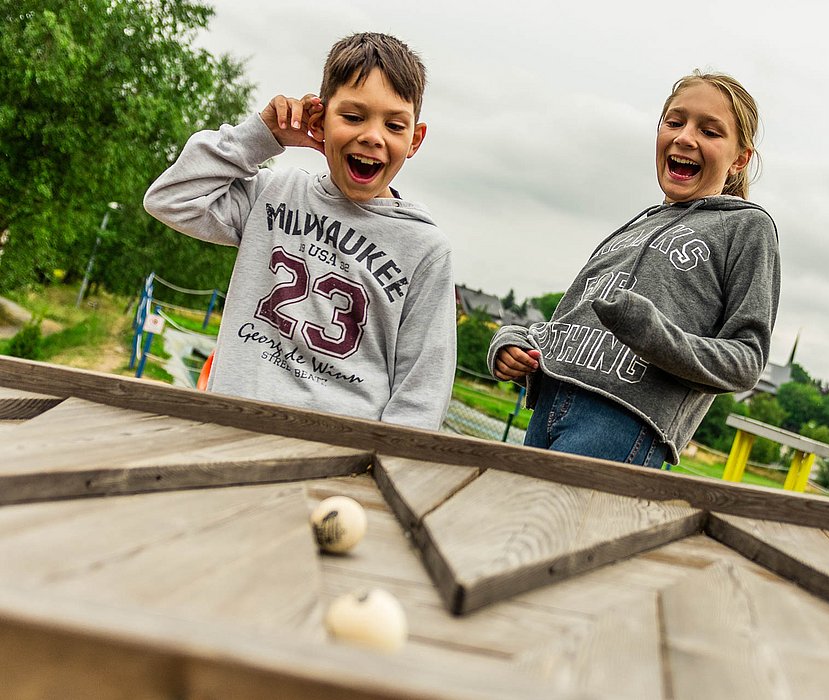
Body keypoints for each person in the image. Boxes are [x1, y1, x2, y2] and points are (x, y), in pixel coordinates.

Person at [144, 32, 455, 430]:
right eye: (353, 117)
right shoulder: (272, 193)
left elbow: (421, 393)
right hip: (227, 428)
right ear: (320, 119)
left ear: (414, 140)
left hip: (334, 456)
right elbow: (171, 198)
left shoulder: (426, 249)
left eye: (394, 125)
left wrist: (380, 464)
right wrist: (261, 137)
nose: (373, 136)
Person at [488, 70, 780, 468]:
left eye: (710, 132)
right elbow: (567, 323)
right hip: (547, 409)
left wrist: (654, 335)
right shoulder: (632, 228)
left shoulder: (747, 227)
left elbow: (746, 360)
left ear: (739, 159)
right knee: (522, 526)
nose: (685, 137)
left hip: (622, 425)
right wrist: (513, 340)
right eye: (674, 122)